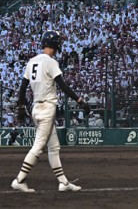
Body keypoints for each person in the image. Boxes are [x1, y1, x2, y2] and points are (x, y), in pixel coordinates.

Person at [11, 31, 91, 193]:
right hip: (47, 108)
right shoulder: (50, 62)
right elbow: (63, 86)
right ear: (55, 46)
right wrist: (80, 101)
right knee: (38, 147)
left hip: (36, 108)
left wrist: (20, 106)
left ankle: (63, 182)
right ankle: (19, 179)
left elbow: (22, 88)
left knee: (54, 147)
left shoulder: (32, 61)